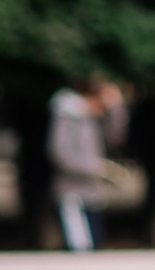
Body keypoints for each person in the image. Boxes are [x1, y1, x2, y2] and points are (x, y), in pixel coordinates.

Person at [46, 74, 124, 251]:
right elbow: (60, 154)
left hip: (93, 194)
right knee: (81, 249)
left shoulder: (91, 119)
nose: (102, 109)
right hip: (72, 194)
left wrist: (116, 109)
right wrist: (95, 168)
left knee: (94, 246)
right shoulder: (66, 116)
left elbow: (115, 137)